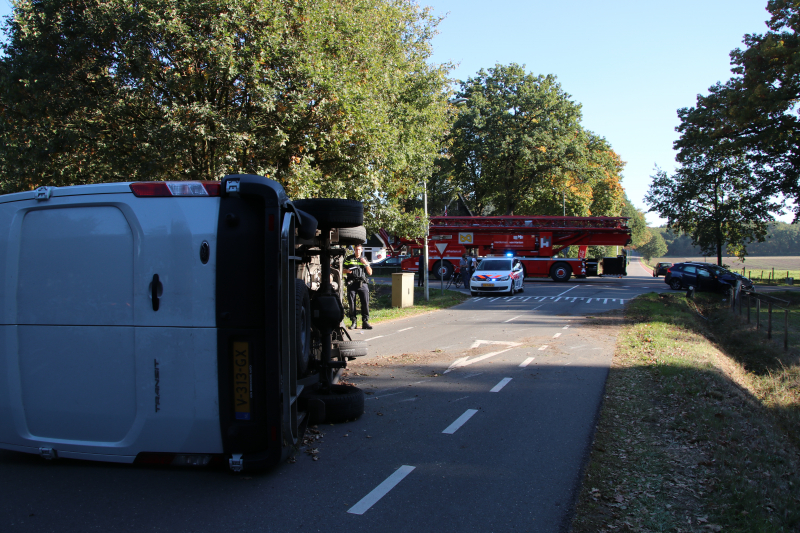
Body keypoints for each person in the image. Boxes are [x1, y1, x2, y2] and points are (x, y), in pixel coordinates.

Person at [343, 243, 373, 329]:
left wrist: (365, 264)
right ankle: (354, 322)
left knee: (365, 303)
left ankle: (365, 322)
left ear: (361, 250)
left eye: (359, 249)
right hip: (352, 283)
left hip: (362, 283)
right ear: (354, 250)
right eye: (356, 249)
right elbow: (342, 269)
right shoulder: (349, 258)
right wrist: (347, 271)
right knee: (352, 304)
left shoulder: (364, 259)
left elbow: (370, 273)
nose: (357, 251)